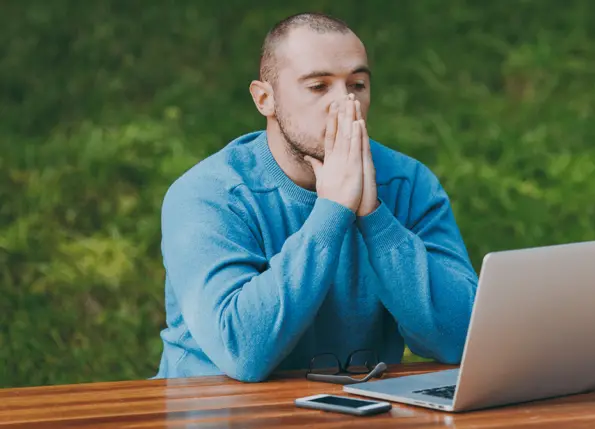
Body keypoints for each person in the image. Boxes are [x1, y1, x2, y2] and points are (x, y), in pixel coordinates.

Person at [153, 12, 478, 382]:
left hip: (355, 408)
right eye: (318, 86)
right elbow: (241, 352)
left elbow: (464, 338)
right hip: (218, 412)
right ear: (264, 99)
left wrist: (374, 216)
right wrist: (332, 212)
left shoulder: (408, 184)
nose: (345, 104)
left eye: (357, 84)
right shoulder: (209, 195)